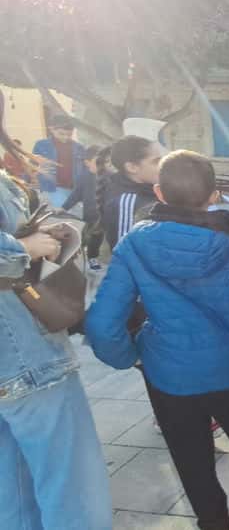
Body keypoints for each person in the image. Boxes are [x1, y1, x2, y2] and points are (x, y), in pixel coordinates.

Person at [87, 151, 229, 530]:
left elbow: (102, 323)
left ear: (159, 193)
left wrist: (130, 356)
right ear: (215, 195)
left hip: (169, 372)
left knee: (189, 454)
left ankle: (214, 521)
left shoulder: (134, 243)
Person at [1, 92, 112, 530]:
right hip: (25, 354)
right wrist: (25, 247)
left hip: (19, 358)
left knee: (14, 493)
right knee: (73, 491)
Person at [101, 135, 161, 249]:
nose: (163, 165)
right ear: (132, 167)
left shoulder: (153, 189)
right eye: (156, 161)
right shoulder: (125, 202)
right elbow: (124, 250)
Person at [62, 145, 107, 271]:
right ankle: (77, 255)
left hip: (105, 214)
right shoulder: (84, 176)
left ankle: (92, 257)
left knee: (97, 237)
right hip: (90, 213)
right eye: (98, 162)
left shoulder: (110, 176)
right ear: (87, 163)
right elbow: (76, 194)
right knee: (85, 236)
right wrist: (64, 208)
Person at [32, 114, 87, 208]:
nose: (65, 137)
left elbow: (85, 169)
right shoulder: (41, 145)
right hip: (53, 188)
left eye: (69, 134)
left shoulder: (79, 147)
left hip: (75, 189)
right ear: (51, 129)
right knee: (64, 212)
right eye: (61, 134)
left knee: (75, 214)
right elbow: (32, 165)